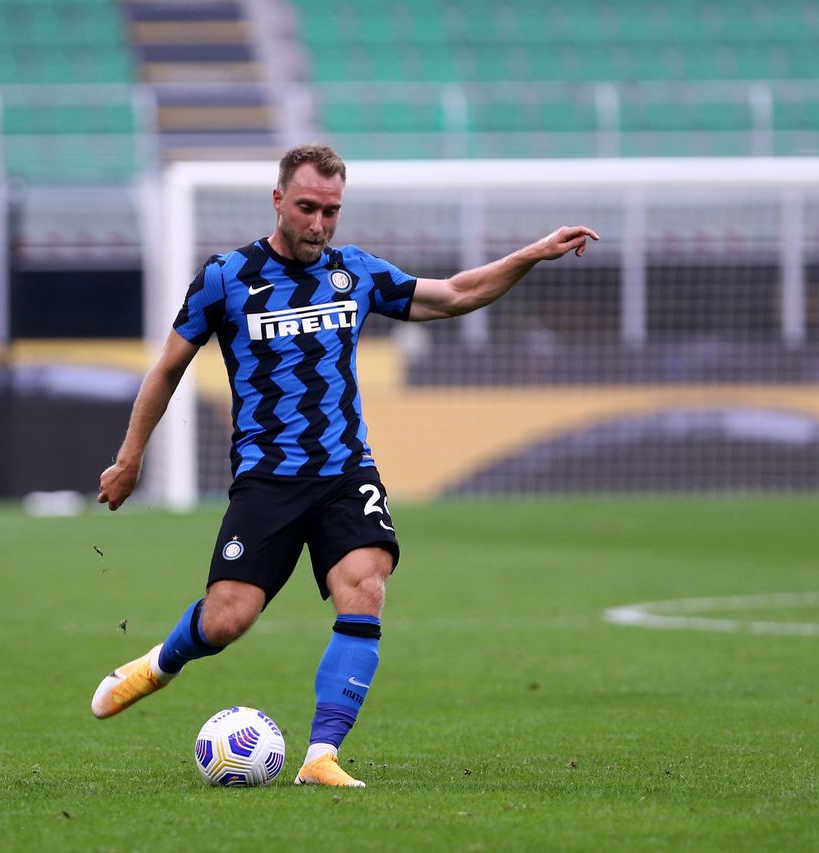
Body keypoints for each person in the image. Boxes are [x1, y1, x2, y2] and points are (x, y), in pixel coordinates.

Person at [91, 143, 598, 788]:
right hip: (269, 478)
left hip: (345, 472)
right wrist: (131, 456)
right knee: (226, 621)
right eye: (307, 208)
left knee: (366, 584)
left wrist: (530, 255)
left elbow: (454, 295)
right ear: (278, 200)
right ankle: (160, 662)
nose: (319, 225)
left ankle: (320, 756)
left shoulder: (353, 273)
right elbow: (167, 368)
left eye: (331, 212)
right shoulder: (225, 277)